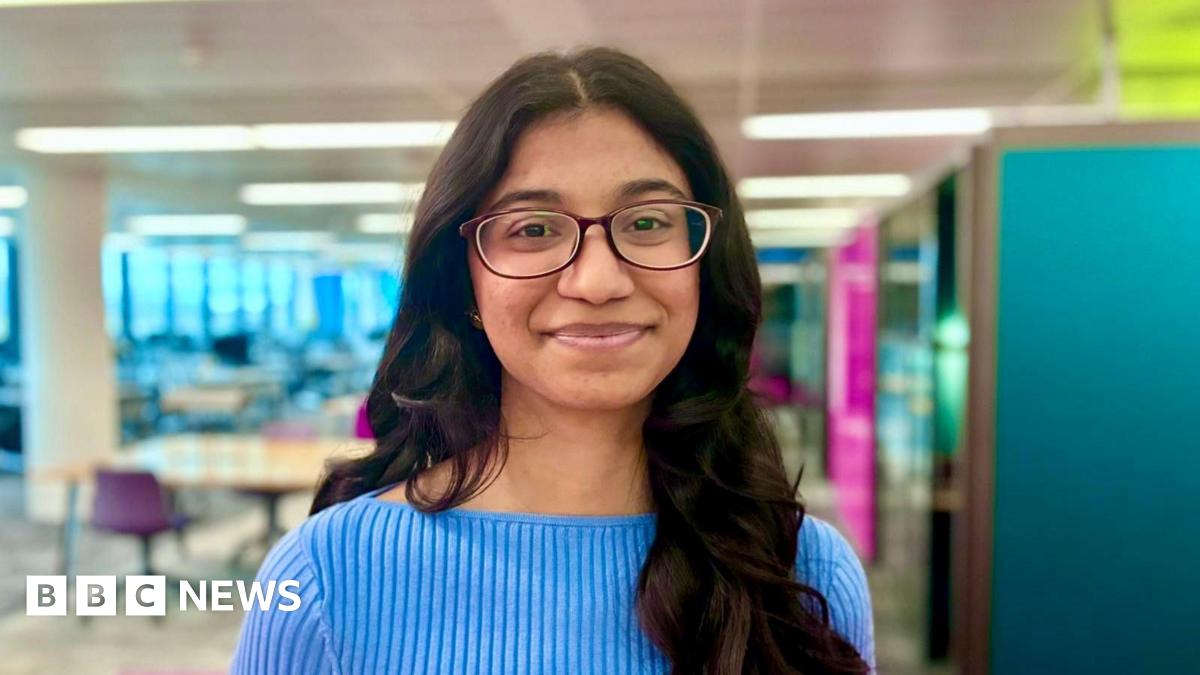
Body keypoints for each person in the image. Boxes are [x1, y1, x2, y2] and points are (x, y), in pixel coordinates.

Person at [231, 46, 875, 675]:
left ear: (706, 264)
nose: (598, 281)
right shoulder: (328, 577)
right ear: (466, 288)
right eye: (534, 229)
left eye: (647, 222)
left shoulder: (804, 573)